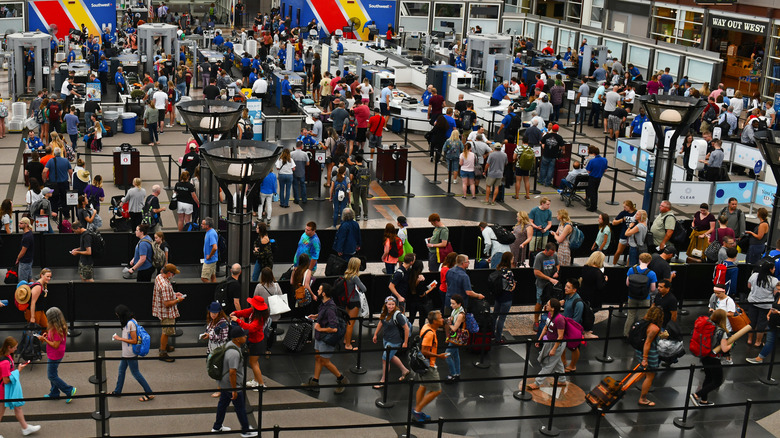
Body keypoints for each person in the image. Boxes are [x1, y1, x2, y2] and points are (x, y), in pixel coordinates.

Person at [301, 284, 350, 394]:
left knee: (325, 361)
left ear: (323, 293)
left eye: (319, 289)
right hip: (320, 336)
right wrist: (317, 316)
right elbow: (324, 314)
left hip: (325, 338)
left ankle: (342, 379)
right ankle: (315, 381)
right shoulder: (325, 303)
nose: (317, 290)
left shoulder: (330, 308)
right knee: (318, 357)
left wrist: (319, 328)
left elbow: (334, 329)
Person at [211, 325, 258, 437]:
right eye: (243, 335)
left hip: (224, 383)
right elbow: (232, 372)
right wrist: (234, 390)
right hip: (231, 385)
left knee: (222, 404)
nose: (245, 336)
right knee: (240, 407)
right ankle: (246, 430)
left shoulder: (229, 345)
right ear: (237, 339)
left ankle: (217, 427)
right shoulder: (234, 353)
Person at [111, 304, 155, 401]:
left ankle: (149, 393)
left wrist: (119, 338)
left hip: (130, 354)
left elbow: (134, 340)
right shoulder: (131, 321)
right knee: (121, 371)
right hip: (126, 353)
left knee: (136, 373)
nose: (117, 316)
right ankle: (117, 391)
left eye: (117, 315)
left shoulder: (130, 324)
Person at [0, 337, 42, 435]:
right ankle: (25, 428)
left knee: (17, 407)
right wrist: (18, 370)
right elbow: (6, 380)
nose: (16, 349)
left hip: (6, 388)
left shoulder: (6, 355)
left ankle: (25, 428)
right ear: (9, 347)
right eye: (14, 347)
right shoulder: (5, 362)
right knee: (1, 412)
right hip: (3, 390)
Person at [526, 298, 567, 391]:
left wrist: (554, 349)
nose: (546, 305)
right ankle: (562, 380)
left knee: (549, 364)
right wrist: (539, 339)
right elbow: (545, 327)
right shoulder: (549, 314)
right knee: (557, 362)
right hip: (550, 341)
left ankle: (537, 383)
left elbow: (560, 337)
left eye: (548, 305)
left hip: (558, 344)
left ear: (553, 308)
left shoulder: (560, 320)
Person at [412, 310, 446, 423]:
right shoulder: (430, 333)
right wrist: (438, 356)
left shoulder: (427, 326)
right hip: (428, 366)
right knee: (437, 390)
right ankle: (417, 410)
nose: (442, 319)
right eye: (440, 318)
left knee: (423, 386)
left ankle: (417, 412)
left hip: (422, 364)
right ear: (435, 321)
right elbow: (424, 351)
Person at [36, 307, 76, 402]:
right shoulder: (55, 327)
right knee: (53, 373)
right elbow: (52, 338)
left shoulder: (57, 330)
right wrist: (46, 335)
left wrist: (45, 340)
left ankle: (69, 390)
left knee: (51, 375)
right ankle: (54, 393)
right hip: (53, 354)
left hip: (55, 355)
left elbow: (55, 345)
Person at [230, 296, 269, 390]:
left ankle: (261, 385)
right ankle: (256, 381)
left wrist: (238, 320)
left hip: (257, 343)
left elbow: (250, 328)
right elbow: (245, 312)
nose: (250, 304)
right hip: (255, 341)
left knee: (253, 363)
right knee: (255, 362)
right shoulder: (255, 312)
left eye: (252, 303)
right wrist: (236, 313)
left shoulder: (259, 319)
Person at [372, 296, 411, 388]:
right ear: (385, 304)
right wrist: (375, 334)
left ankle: (383, 380)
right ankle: (404, 370)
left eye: (393, 304)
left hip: (395, 341)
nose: (391, 306)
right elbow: (381, 322)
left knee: (385, 359)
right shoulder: (384, 312)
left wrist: (405, 342)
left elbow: (406, 328)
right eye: (389, 304)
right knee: (391, 356)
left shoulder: (397, 315)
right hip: (386, 339)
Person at [153, 264, 184, 362]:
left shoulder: (159, 277)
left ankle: (164, 346)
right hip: (166, 312)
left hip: (160, 310)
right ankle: (162, 352)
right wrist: (178, 300)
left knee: (165, 331)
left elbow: (164, 295)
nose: (173, 276)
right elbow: (167, 303)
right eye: (173, 274)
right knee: (166, 332)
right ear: (169, 273)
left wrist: (174, 294)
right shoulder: (165, 285)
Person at [634, 306, 664, 407]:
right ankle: (643, 398)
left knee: (641, 371)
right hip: (649, 354)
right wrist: (645, 359)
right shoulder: (654, 328)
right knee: (650, 376)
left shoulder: (643, 322)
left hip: (639, 350)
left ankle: (623, 388)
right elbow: (648, 342)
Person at [623, 253, 658, 337]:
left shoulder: (632, 270)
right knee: (642, 317)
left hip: (632, 297)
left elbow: (627, 283)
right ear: (649, 262)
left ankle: (626, 334)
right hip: (645, 298)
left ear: (639, 259)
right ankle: (638, 335)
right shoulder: (652, 273)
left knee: (630, 315)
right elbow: (653, 289)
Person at [746, 260, 777, 347]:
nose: (774, 269)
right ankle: (758, 342)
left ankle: (749, 340)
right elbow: (775, 293)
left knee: (751, 322)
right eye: (773, 268)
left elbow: (749, 286)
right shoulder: (774, 280)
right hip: (765, 305)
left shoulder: (754, 275)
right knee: (762, 324)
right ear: (770, 269)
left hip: (753, 302)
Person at [533, 242, 559, 330]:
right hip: (541, 284)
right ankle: (536, 321)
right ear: (545, 250)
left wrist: (557, 271)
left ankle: (545, 319)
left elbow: (557, 265)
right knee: (539, 302)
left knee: (548, 303)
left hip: (551, 284)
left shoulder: (554, 255)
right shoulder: (539, 257)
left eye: (553, 253)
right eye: (550, 253)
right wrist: (549, 278)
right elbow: (536, 272)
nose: (552, 255)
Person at [561, 278, 585, 371]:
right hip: (566, 326)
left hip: (573, 329)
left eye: (568, 287)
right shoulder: (568, 297)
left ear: (574, 290)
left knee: (573, 348)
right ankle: (563, 362)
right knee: (562, 344)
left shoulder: (578, 302)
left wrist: (569, 330)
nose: (565, 288)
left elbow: (576, 320)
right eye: (566, 286)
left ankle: (572, 366)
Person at [492, 252, 516, 343]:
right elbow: (511, 287)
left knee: (494, 315)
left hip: (498, 295)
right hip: (506, 297)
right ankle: (498, 338)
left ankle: (492, 334)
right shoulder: (509, 272)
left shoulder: (499, 268)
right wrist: (514, 285)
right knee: (502, 318)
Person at [612, 200, 637, 266]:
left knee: (630, 253)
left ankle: (627, 266)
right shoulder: (623, 213)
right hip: (624, 235)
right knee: (619, 251)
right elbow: (614, 222)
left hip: (633, 236)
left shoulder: (636, 213)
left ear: (630, 206)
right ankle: (613, 264)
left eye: (625, 207)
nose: (624, 209)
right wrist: (621, 220)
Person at [585, 146, 608, 212]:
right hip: (599, 177)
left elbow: (588, 171)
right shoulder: (604, 160)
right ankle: (594, 205)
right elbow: (605, 169)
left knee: (592, 192)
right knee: (595, 191)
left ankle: (593, 206)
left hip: (592, 177)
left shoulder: (592, 161)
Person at [16, 218, 34, 282]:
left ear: (26, 224)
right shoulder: (29, 234)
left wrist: (18, 258)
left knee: (22, 281)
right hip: (29, 260)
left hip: (24, 261)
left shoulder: (26, 237)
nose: (19, 225)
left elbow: (23, 251)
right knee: (30, 279)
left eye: (21, 223)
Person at [201, 217, 219, 283]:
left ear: (207, 226)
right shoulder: (209, 232)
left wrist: (209, 256)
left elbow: (215, 247)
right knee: (212, 275)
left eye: (203, 224)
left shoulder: (211, 234)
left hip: (210, 261)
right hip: (212, 260)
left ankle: (210, 289)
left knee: (204, 278)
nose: (201, 225)